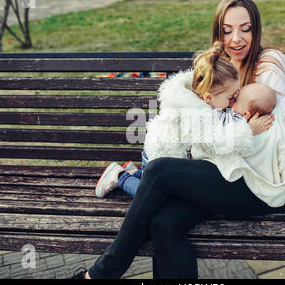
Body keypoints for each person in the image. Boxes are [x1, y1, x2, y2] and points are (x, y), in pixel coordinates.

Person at [72, 0, 285, 279]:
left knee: (160, 171)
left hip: (266, 183)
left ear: (256, 29)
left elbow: (264, 142)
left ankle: (100, 274)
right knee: (163, 223)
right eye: (227, 30)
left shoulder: (269, 66)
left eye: (245, 29)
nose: (236, 38)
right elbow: (206, 122)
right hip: (229, 170)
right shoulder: (224, 65)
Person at [94, 41, 271, 199]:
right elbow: (219, 142)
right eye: (231, 97)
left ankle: (135, 173)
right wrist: (249, 130)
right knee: (161, 199)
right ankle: (120, 177)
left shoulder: (203, 100)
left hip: (170, 158)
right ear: (208, 98)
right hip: (158, 159)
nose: (234, 101)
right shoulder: (193, 112)